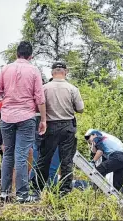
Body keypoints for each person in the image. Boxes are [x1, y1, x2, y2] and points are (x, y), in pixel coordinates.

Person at [0, 41, 47, 203]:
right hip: (26, 117)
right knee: (21, 156)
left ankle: (4, 193)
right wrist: (43, 119)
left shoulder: (5, 69)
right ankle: (22, 195)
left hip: (7, 117)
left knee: (8, 155)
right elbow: (40, 98)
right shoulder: (34, 70)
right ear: (31, 56)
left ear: (16, 54)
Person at [32, 62, 84, 197]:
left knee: (44, 159)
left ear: (52, 73)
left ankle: (38, 188)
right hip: (67, 126)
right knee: (66, 160)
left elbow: (38, 106)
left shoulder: (44, 88)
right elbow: (80, 109)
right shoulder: (72, 88)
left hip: (50, 126)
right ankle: (64, 191)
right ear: (65, 72)